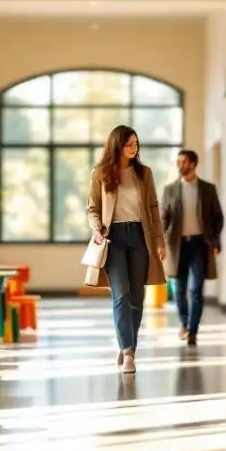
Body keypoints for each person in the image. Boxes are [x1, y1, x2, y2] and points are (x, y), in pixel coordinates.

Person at [86, 125, 166, 373]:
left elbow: (153, 208)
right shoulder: (100, 174)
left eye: (136, 144)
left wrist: (159, 240)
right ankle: (129, 353)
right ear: (117, 145)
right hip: (114, 239)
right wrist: (97, 228)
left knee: (137, 297)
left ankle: (126, 345)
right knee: (120, 294)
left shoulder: (144, 173)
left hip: (140, 238)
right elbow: (92, 209)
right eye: (129, 144)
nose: (134, 148)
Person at [160, 148, 224, 346]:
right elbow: (164, 217)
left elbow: (217, 217)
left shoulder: (207, 189)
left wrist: (214, 240)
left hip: (199, 244)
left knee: (195, 289)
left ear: (194, 164)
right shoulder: (169, 190)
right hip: (177, 245)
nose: (181, 165)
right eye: (178, 161)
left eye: (185, 161)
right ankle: (184, 323)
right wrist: (160, 243)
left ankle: (193, 331)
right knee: (179, 290)